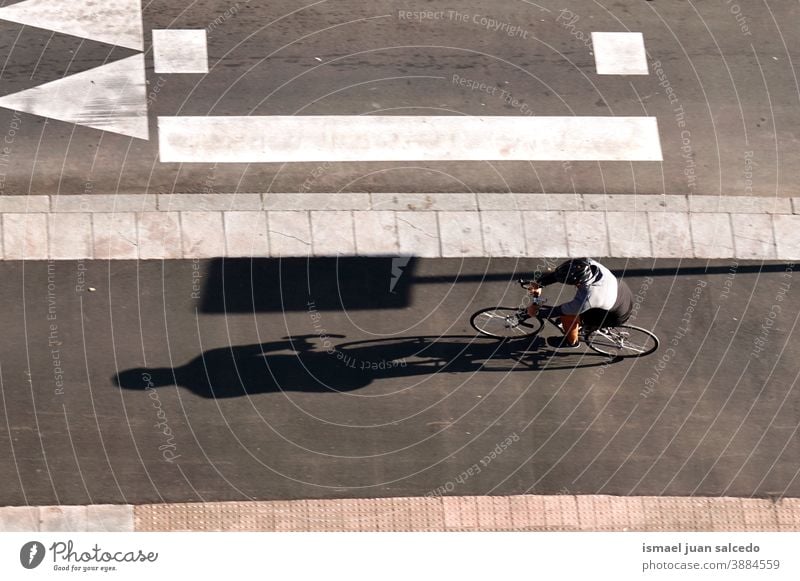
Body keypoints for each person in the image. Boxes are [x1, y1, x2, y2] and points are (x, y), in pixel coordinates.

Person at [526, 258, 633, 348]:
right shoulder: (586, 263)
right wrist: (540, 283)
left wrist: (537, 313)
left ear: (578, 282)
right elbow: (561, 273)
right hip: (622, 293)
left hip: (617, 314)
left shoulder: (588, 297)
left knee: (567, 317)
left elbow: (560, 311)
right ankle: (581, 324)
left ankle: (571, 342)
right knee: (574, 312)